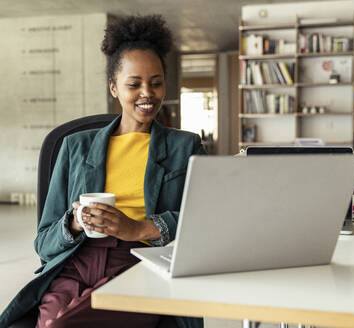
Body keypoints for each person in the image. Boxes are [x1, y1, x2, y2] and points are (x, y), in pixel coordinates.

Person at [0, 15, 205, 328]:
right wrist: (73, 223)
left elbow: (204, 223)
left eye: (156, 82)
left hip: (138, 263)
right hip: (74, 264)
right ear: (114, 87)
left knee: (59, 325)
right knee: (54, 320)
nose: (147, 93)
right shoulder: (74, 147)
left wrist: (140, 229)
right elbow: (43, 243)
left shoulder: (184, 147)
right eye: (134, 84)